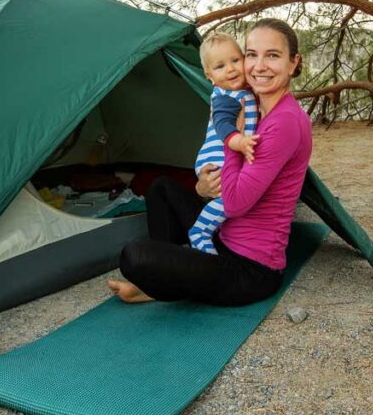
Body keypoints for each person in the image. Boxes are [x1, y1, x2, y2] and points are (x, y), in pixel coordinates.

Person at [107, 18, 312, 306]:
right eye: (251, 55)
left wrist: (230, 137)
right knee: (161, 187)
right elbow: (222, 184)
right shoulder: (254, 101)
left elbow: (237, 202)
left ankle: (162, 283)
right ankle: (165, 278)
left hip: (251, 269)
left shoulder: (285, 122)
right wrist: (203, 187)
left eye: (273, 55)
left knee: (135, 255)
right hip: (224, 237)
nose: (259, 66)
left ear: (293, 63)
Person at [188, 33, 259, 254]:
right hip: (215, 157)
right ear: (209, 76)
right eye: (220, 66)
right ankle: (199, 232)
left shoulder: (244, 91)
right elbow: (223, 124)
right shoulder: (225, 97)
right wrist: (239, 142)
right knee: (229, 197)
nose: (230, 69)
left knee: (231, 197)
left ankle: (216, 232)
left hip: (226, 154)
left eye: (235, 60)